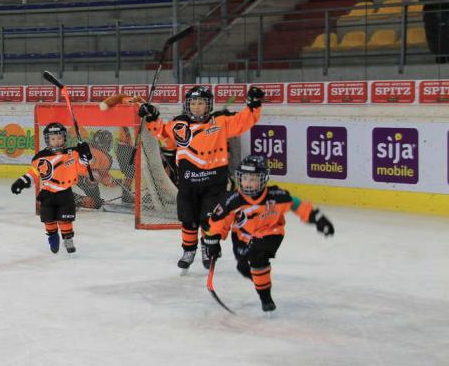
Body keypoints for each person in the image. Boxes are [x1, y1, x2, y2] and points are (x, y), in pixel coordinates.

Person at [138, 85, 264, 272]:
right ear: (188, 105)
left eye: (201, 102)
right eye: (194, 103)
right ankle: (189, 251)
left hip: (214, 183)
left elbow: (243, 121)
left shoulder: (221, 121)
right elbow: (164, 136)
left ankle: (207, 248)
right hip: (188, 184)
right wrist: (152, 118)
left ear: (209, 104)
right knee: (188, 220)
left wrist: (254, 105)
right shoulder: (180, 123)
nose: (197, 106)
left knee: (209, 220)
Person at [201, 155, 335, 312]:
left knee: (258, 259)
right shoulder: (232, 201)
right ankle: (261, 280)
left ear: (263, 179)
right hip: (243, 237)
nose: (248, 183)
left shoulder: (275, 196)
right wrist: (212, 241)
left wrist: (317, 218)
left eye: (253, 179)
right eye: (245, 179)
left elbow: (296, 204)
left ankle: (265, 298)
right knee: (243, 267)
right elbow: (218, 222)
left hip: (271, 232)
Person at [10, 123, 92, 254]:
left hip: (65, 193)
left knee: (65, 219)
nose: (57, 141)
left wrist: (85, 154)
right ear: (48, 140)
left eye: (59, 137)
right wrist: (21, 182)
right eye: (53, 139)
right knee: (48, 219)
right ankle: (53, 237)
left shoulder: (72, 153)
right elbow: (34, 173)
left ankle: (68, 239)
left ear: (64, 138)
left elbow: (83, 168)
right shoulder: (41, 157)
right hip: (47, 194)